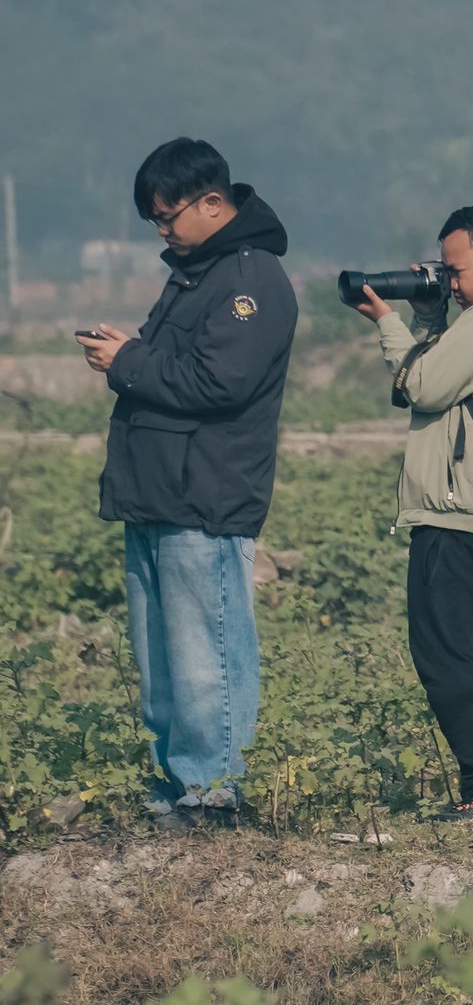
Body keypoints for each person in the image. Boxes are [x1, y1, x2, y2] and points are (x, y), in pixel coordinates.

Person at [77, 137, 297, 830]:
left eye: (169, 216)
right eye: (156, 221)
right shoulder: (196, 275)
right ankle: (174, 785)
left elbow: (218, 382)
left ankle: (213, 793)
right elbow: (172, 366)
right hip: (158, 493)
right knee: (162, 659)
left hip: (206, 494)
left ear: (212, 202)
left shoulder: (249, 280)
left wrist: (129, 361)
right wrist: (132, 356)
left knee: (205, 653)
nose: (163, 231)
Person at [353, 205, 473, 825]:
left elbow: (425, 387)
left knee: (446, 656)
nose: (452, 282)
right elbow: (443, 376)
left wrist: (389, 320)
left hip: (462, 516)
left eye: (456, 271)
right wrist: (430, 315)